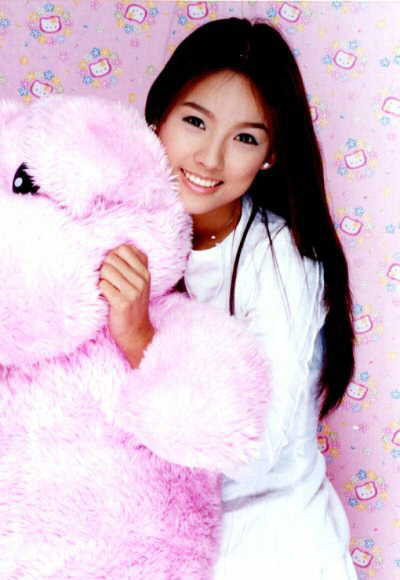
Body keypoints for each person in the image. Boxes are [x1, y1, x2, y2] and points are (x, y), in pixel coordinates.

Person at [98, 17, 358, 579]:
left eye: (245, 138)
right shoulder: (120, 227)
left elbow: (252, 451)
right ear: (158, 116)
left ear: (270, 155)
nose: (210, 159)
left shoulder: (284, 261)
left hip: (270, 546)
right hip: (152, 543)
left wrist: (142, 339)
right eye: (195, 122)